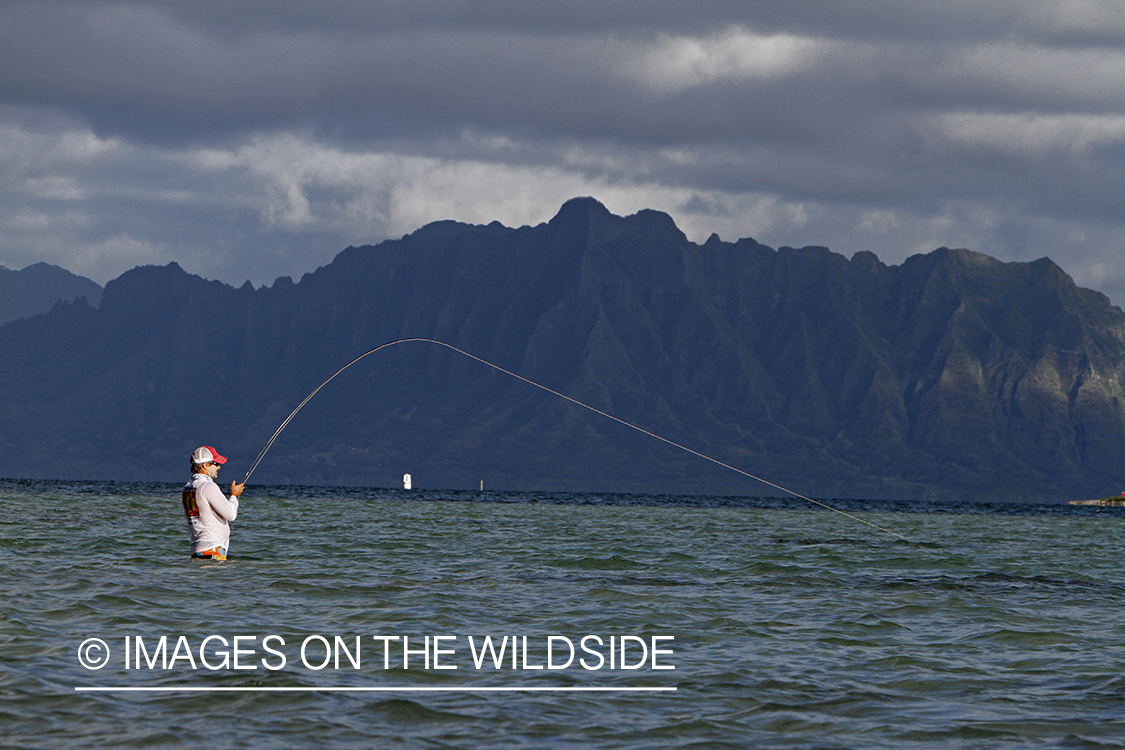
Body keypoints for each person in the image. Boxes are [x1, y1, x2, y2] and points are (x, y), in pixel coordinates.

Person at [182, 446, 245, 560]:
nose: (219, 467)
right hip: (212, 549)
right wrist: (234, 496)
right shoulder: (208, 486)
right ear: (205, 465)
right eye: (215, 463)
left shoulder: (187, 488)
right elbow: (231, 515)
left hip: (197, 548)